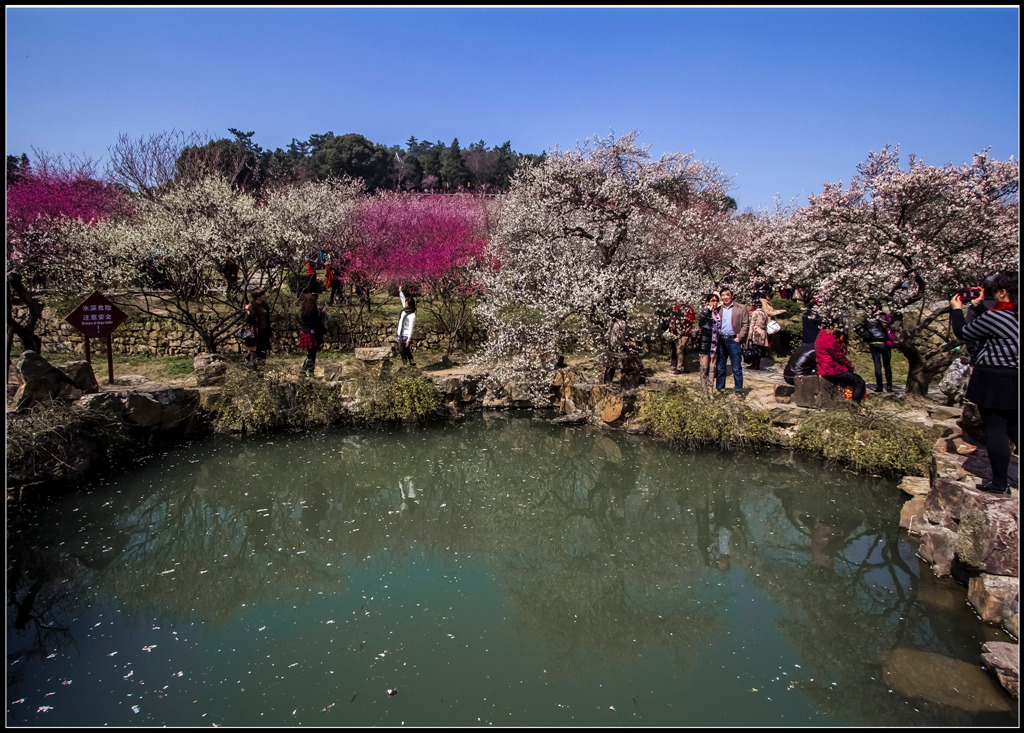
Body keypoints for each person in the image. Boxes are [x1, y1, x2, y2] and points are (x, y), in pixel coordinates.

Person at [949, 271, 1018, 495]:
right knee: (1015, 427)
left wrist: (957, 309)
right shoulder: (1010, 315)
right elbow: (997, 328)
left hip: (994, 379)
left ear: (1003, 292)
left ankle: (999, 483)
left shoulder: (996, 317)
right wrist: (978, 307)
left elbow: (964, 332)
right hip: (1015, 377)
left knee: (996, 430)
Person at [814, 320, 867, 404]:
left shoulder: (821, 334)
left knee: (852, 378)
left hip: (824, 367)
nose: (838, 330)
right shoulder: (829, 339)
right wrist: (849, 365)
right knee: (859, 381)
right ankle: (856, 404)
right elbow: (838, 355)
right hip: (832, 369)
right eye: (837, 327)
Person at [715, 288, 750, 394]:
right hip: (721, 339)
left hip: (733, 339)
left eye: (727, 295)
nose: (725, 297)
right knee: (720, 367)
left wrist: (739, 337)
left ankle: (738, 390)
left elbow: (746, 324)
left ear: (732, 296)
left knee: (736, 367)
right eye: (723, 295)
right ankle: (720, 389)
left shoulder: (741, 308)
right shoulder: (718, 309)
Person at [855, 308, 894, 392]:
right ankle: (889, 387)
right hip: (884, 343)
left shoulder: (867, 320)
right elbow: (891, 325)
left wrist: (864, 336)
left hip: (873, 343)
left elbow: (856, 328)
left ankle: (879, 387)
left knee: (877, 366)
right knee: (887, 365)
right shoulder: (884, 318)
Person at [695, 293, 721, 390]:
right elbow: (700, 323)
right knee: (704, 367)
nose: (715, 303)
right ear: (708, 301)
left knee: (712, 367)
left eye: (716, 300)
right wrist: (708, 312)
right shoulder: (705, 311)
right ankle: (703, 389)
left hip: (715, 342)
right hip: (705, 341)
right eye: (712, 300)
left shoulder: (718, 313)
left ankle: (710, 389)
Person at [298, 292, 327, 376]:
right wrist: (322, 313)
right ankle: (303, 371)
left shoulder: (304, 310)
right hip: (311, 334)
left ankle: (311, 372)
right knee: (311, 355)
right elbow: (317, 320)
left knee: (311, 354)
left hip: (305, 333)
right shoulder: (313, 311)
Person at [242, 287, 272, 367]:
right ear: (258, 296)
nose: (265, 295)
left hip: (264, 332)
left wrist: (269, 333)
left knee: (263, 354)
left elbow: (267, 320)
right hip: (255, 333)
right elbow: (247, 320)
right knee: (255, 354)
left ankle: (261, 374)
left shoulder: (265, 305)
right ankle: (253, 374)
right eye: (263, 294)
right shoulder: (252, 306)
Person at [665, 301, 695, 374]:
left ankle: (679, 367)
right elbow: (672, 317)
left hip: (685, 333)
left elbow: (691, 320)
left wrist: (682, 318)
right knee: (681, 350)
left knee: (680, 349)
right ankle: (685, 367)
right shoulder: (676, 307)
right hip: (677, 332)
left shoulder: (689, 309)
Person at [745, 301, 771, 370]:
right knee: (759, 349)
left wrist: (750, 335)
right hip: (763, 332)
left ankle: (754, 363)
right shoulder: (764, 313)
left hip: (756, 331)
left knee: (754, 348)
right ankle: (757, 364)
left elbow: (752, 324)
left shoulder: (755, 313)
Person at [396, 287, 417, 366]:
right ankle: (405, 363)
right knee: (401, 350)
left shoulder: (412, 315)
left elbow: (411, 327)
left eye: (406, 304)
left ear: (410, 305)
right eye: (405, 303)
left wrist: (409, 339)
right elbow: (402, 300)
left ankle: (411, 362)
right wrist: (400, 291)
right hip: (400, 333)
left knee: (406, 350)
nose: (405, 304)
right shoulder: (404, 310)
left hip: (406, 335)